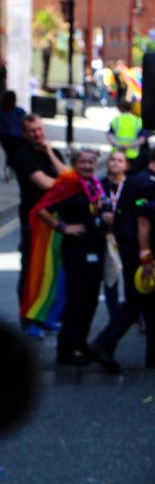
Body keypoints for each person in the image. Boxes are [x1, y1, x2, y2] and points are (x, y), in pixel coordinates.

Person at [89, 144, 155, 373]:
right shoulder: (149, 184)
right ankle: (104, 343)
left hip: (131, 249)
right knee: (138, 302)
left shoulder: (137, 179)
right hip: (141, 254)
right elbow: (144, 221)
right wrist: (146, 256)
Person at [27, 150, 108, 365]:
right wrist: (63, 227)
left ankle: (80, 346)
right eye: (82, 162)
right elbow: (41, 209)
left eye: (91, 162)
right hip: (76, 250)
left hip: (95, 247)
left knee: (90, 300)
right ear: (74, 164)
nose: (87, 166)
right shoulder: (68, 184)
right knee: (77, 300)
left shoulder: (94, 185)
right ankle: (67, 349)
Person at [11, 114, 68, 335]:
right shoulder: (22, 154)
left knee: (49, 270)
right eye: (32, 131)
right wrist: (67, 184)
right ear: (25, 134)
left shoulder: (49, 150)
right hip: (33, 220)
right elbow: (45, 183)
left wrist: (51, 152)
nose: (38, 134)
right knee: (31, 270)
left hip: (54, 220)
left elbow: (65, 174)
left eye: (40, 129)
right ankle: (27, 319)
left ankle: (44, 316)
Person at [100, 150, 129, 317]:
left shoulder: (131, 185)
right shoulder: (100, 184)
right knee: (110, 277)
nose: (115, 163)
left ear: (126, 165)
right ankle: (114, 314)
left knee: (131, 277)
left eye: (120, 160)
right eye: (112, 159)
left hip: (126, 236)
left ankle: (135, 314)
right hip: (108, 237)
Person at [106, 99, 147, 172]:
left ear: (121, 109)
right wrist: (128, 146)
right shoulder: (138, 121)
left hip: (117, 154)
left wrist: (119, 145)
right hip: (132, 155)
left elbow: (110, 135)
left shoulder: (116, 120)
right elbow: (142, 139)